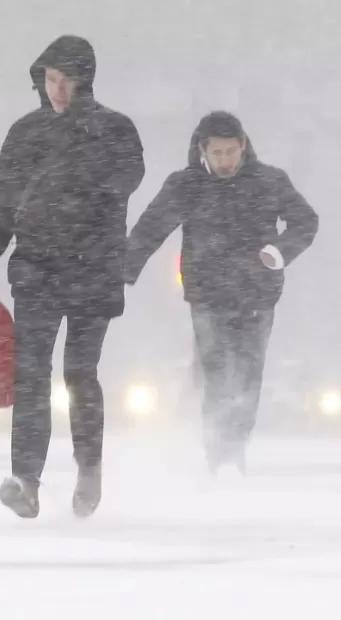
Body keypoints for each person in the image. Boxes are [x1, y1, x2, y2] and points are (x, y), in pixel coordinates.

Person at [0, 35, 145, 518]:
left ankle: (88, 466)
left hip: (94, 268)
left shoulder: (114, 129)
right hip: (38, 269)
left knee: (80, 374)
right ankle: (26, 479)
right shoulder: (25, 133)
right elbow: (2, 204)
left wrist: (81, 140)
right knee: (30, 375)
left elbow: (126, 179)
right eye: (50, 79)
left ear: (86, 81)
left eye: (68, 80)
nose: (58, 90)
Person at [125, 111, 318, 472]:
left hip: (257, 295)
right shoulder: (186, 186)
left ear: (243, 145)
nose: (226, 160)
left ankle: (234, 449)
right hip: (207, 297)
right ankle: (217, 452)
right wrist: (122, 271)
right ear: (203, 150)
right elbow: (150, 229)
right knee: (217, 374)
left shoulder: (269, 181)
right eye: (218, 153)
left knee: (247, 374)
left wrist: (278, 252)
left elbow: (306, 221)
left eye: (232, 151)